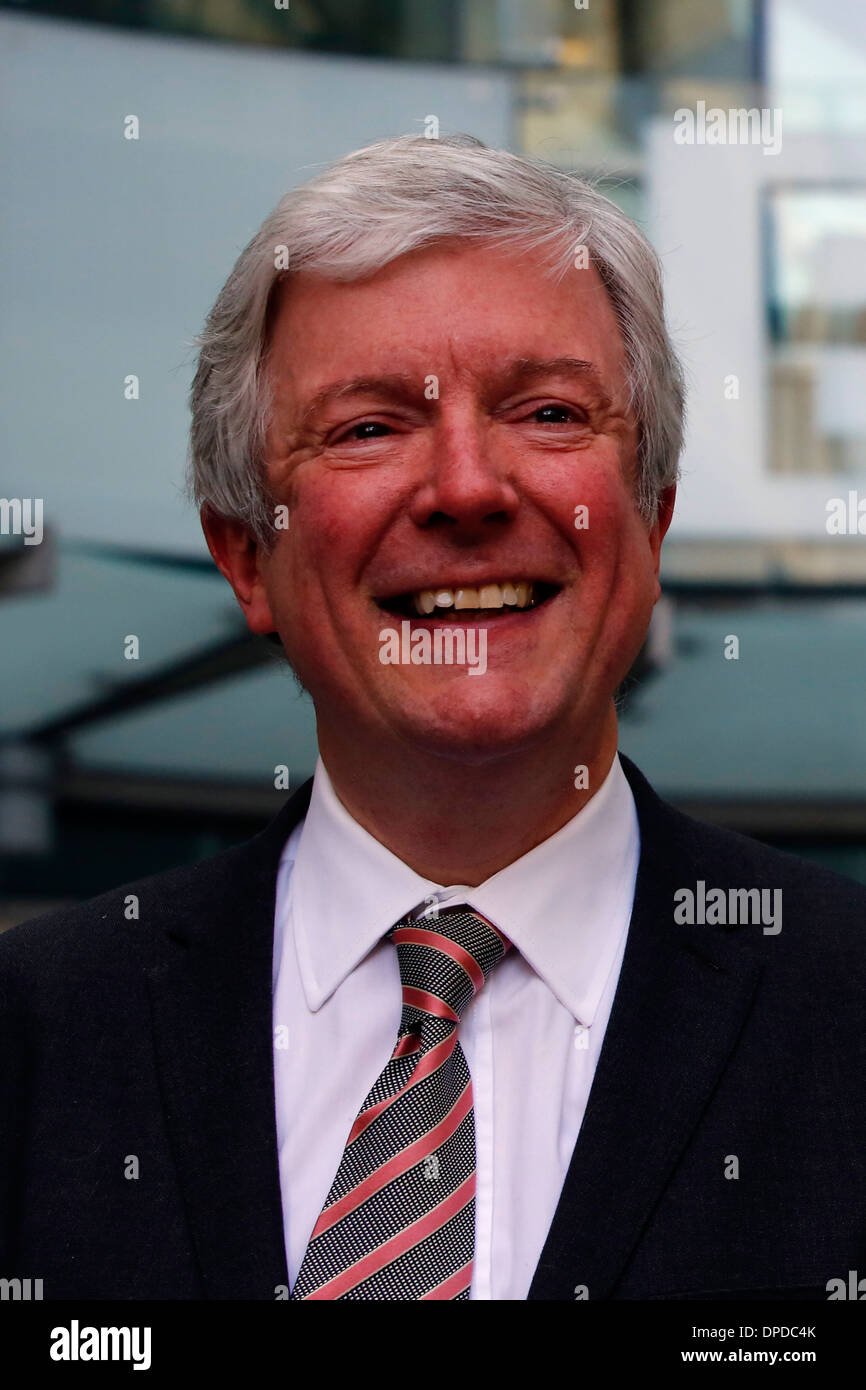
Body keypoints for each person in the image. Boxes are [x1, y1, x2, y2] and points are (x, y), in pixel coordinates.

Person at [2, 135, 864, 1301]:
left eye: (548, 411)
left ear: (650, 523)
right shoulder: (35, 1033)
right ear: (246, 555)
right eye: (367, 427)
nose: (466, 487)